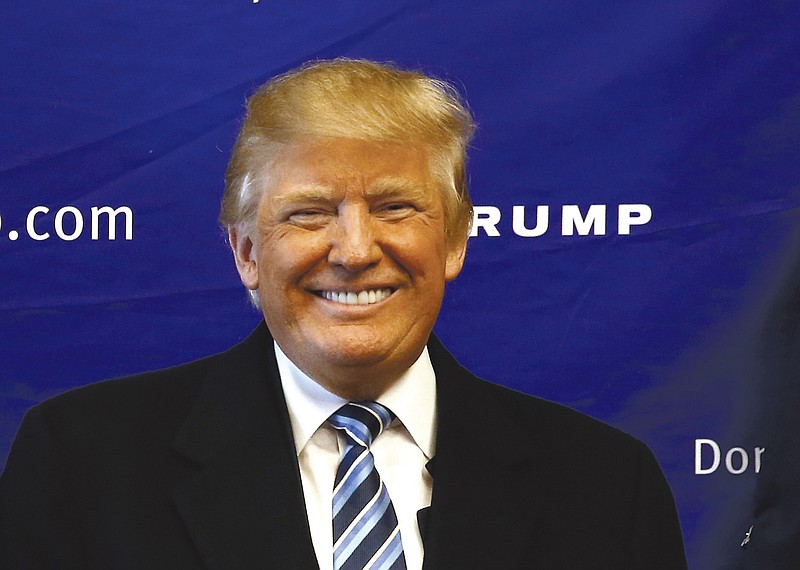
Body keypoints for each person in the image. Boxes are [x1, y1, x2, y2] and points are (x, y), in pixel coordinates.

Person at [0, 59, 687, 569]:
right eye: (309, 213)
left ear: (451, 240)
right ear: (246, 253)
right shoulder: (81, 464)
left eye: (394, 207)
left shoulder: (604, 484)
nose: (355, 251)